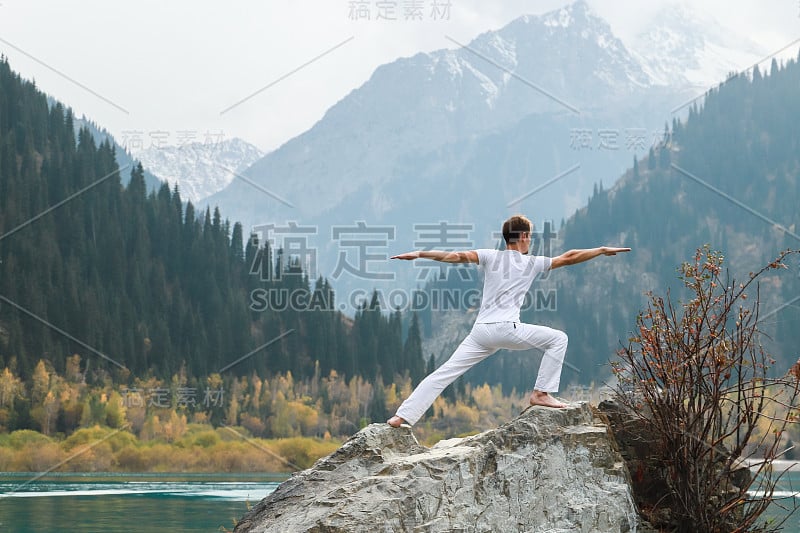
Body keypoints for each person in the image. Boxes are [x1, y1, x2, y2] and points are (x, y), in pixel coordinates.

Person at [387, 215, 630, 427]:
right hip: (506, 329)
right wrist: (600, 250)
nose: (531, 241)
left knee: (444, 373)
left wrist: (420, 253)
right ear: (523, 236)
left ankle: (402, 417)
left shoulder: (490, 256)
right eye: (530, 236)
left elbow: (457, 255)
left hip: (481, 332)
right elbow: (569, 257)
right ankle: (541, 393)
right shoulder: (531, 262)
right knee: (559, 339)